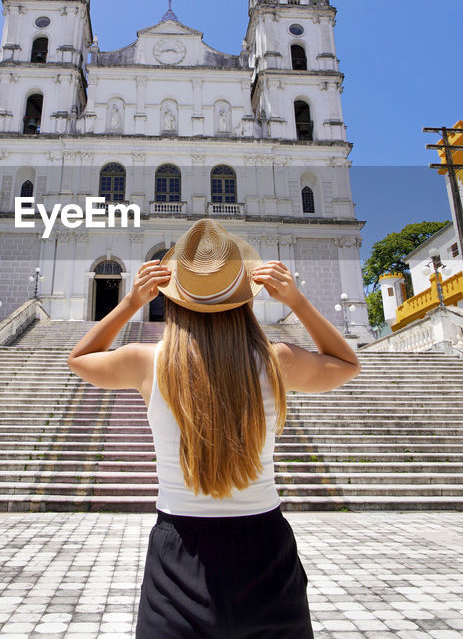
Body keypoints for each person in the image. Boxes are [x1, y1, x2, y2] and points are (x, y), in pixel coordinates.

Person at [67, 219, 361, 638]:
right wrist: (296, 301)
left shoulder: (147, 361)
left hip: (178, 551)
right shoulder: (277, 359)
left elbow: (80, 358)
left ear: (174, 297)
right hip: (265, 549)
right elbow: (347, 364)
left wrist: (131, 301)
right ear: (245, 296)